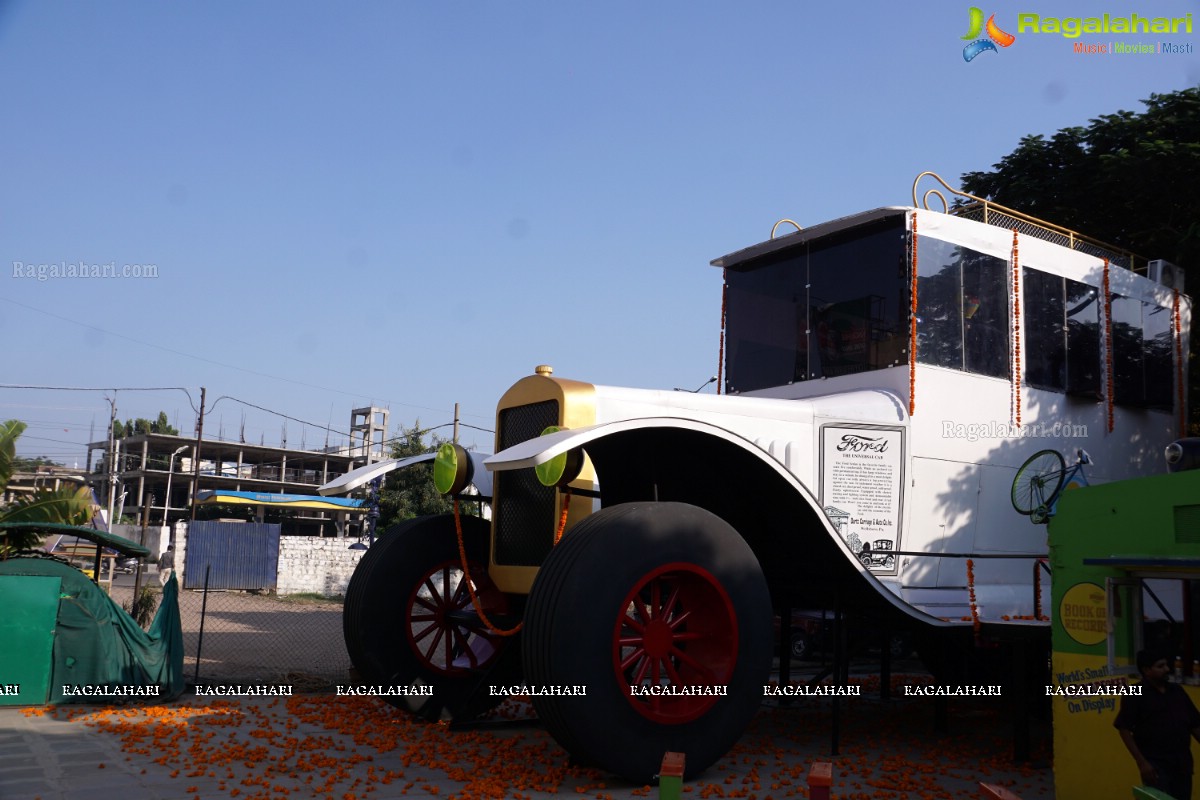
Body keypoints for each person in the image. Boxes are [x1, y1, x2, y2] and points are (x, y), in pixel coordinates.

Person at [1114, 649, 1200, 799]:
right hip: (1155, 768)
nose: (1167, 669)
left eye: (1166, 665)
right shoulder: (1135, 693)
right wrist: (1142, 763)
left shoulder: (1177, 691)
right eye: (1160, 666)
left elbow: (1194, 724)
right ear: (1147, 670)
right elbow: (1124, 729)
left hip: (1182, 765)